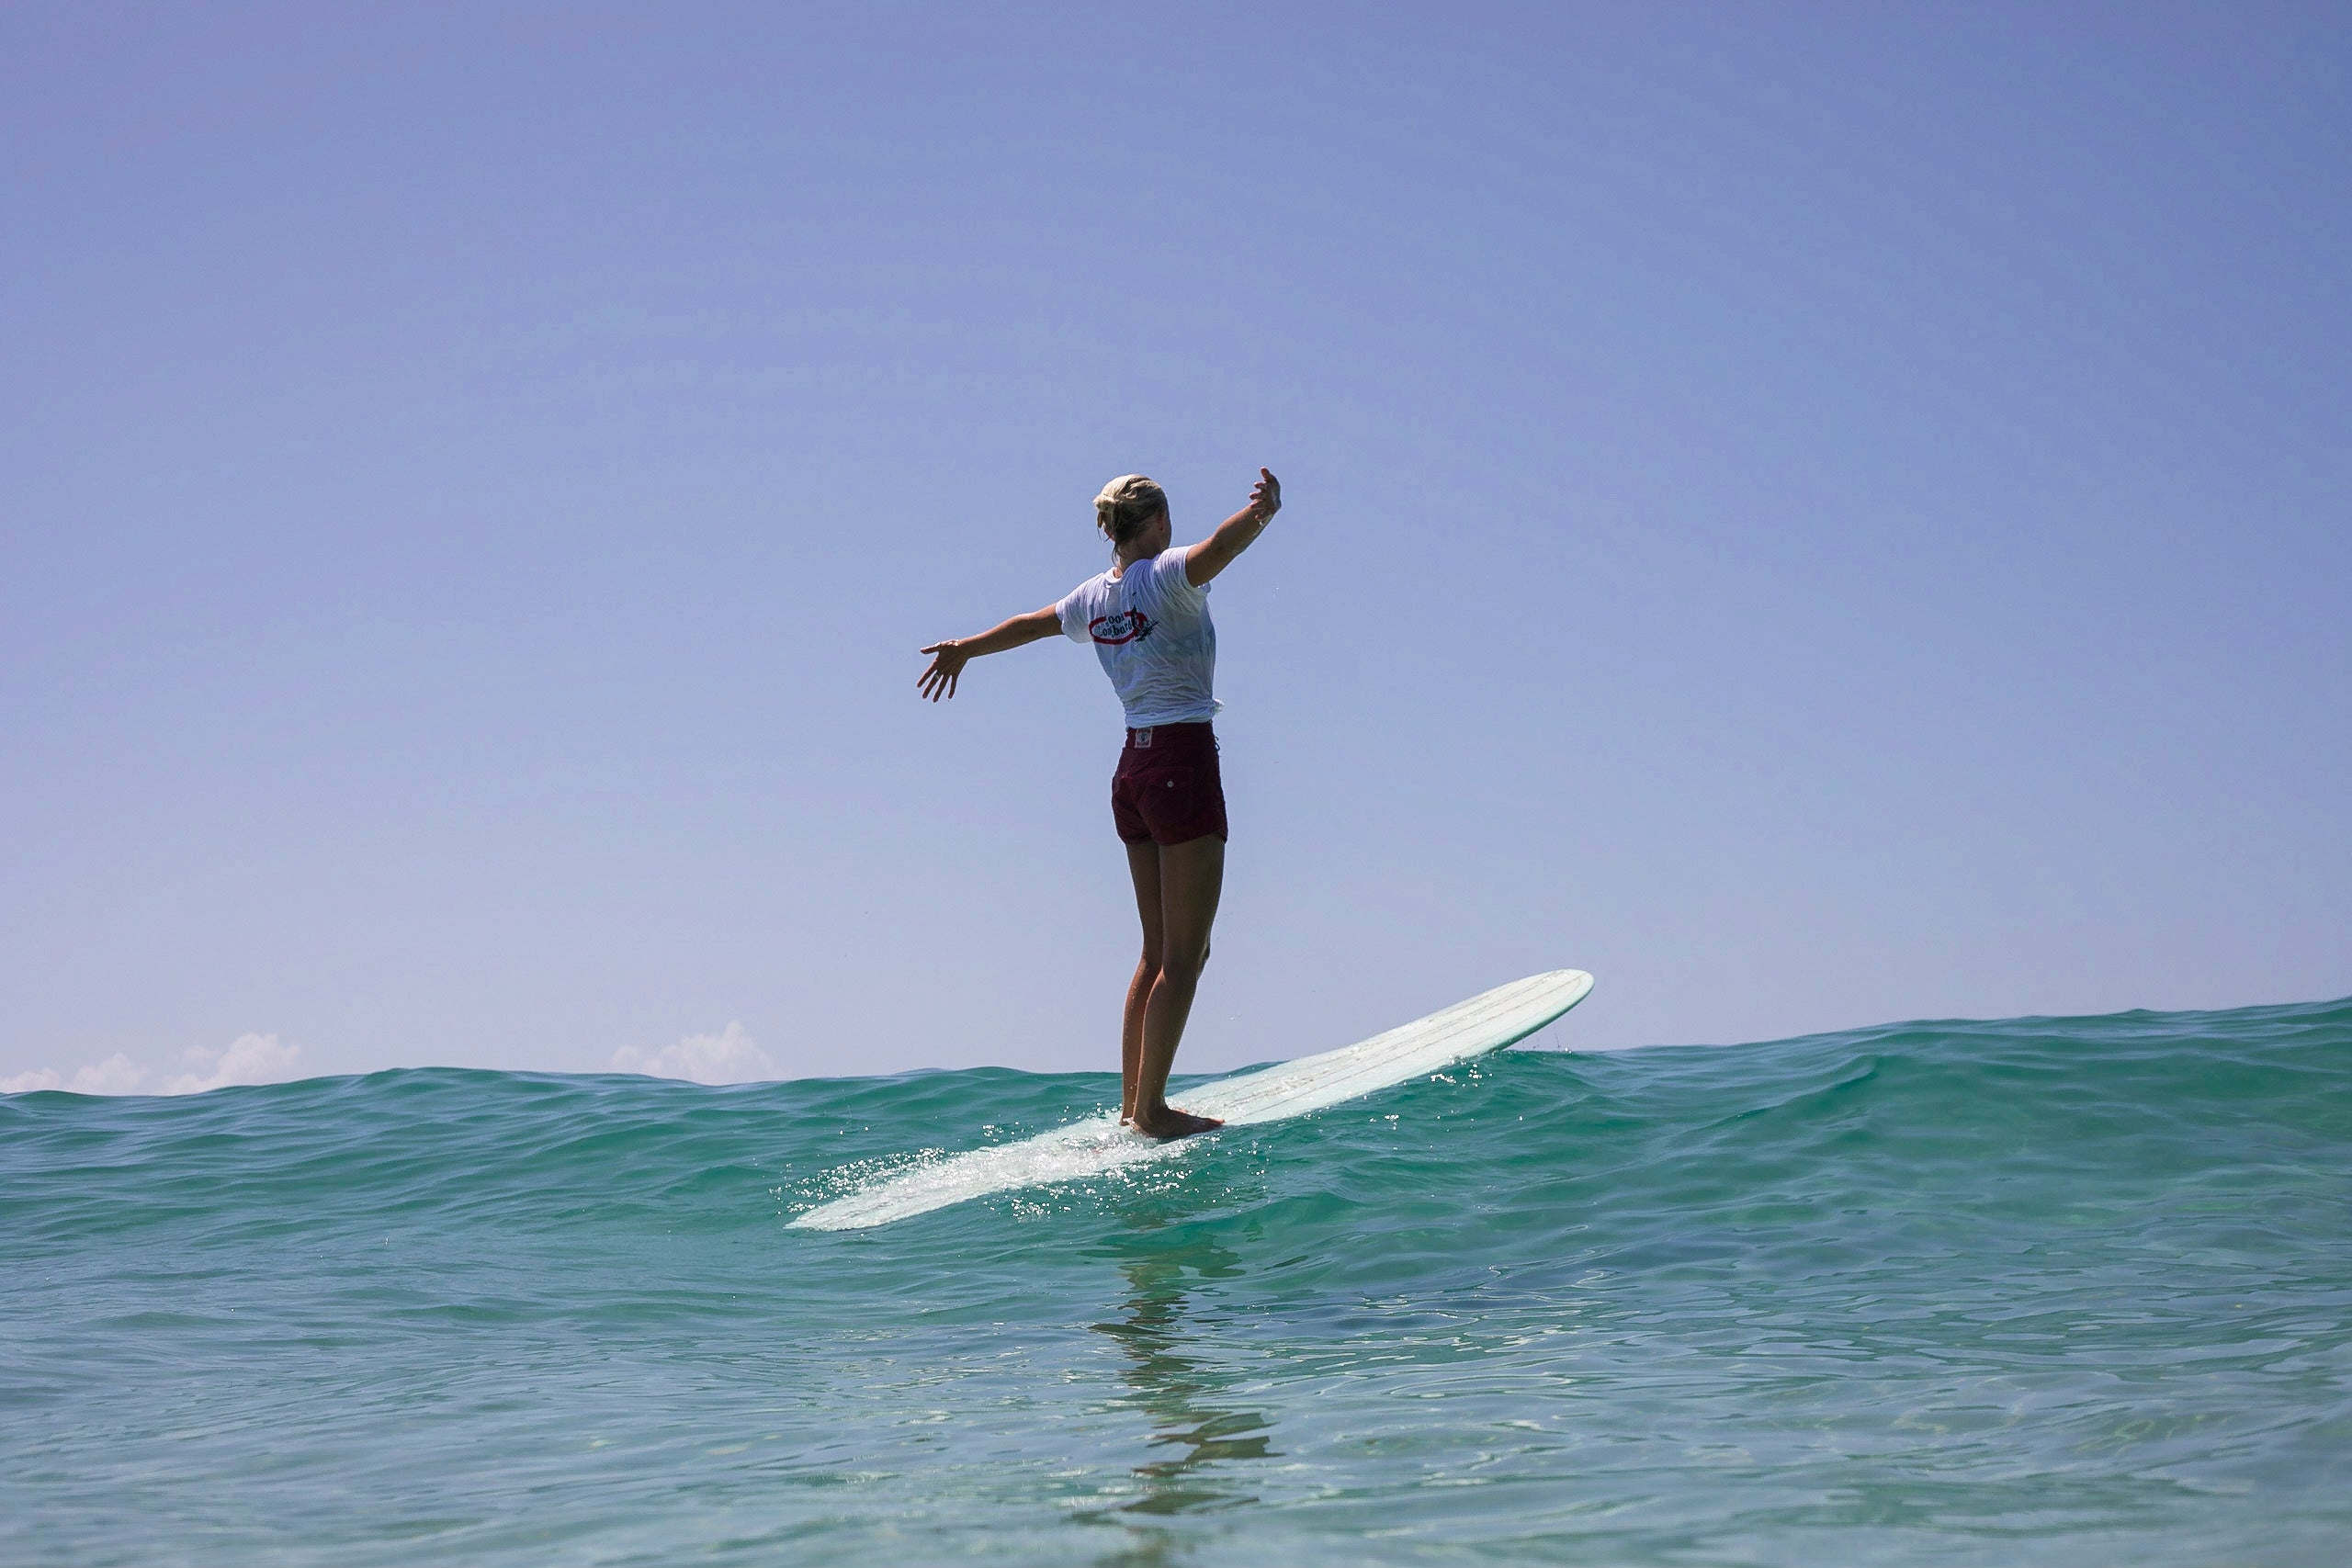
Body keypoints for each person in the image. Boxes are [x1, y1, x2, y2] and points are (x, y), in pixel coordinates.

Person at [917, 468, 1283, 1138]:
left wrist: (967, 647)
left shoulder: (1096, 597)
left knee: (1155, 952)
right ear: (1157, 523)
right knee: (1186, 956)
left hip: (1133, 773)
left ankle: (1130, 1106)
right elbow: (1221, 550)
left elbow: (1030, 627)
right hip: (1180, 763)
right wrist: (1264, 513)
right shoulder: (1165, 574)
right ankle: (1150, 1111)